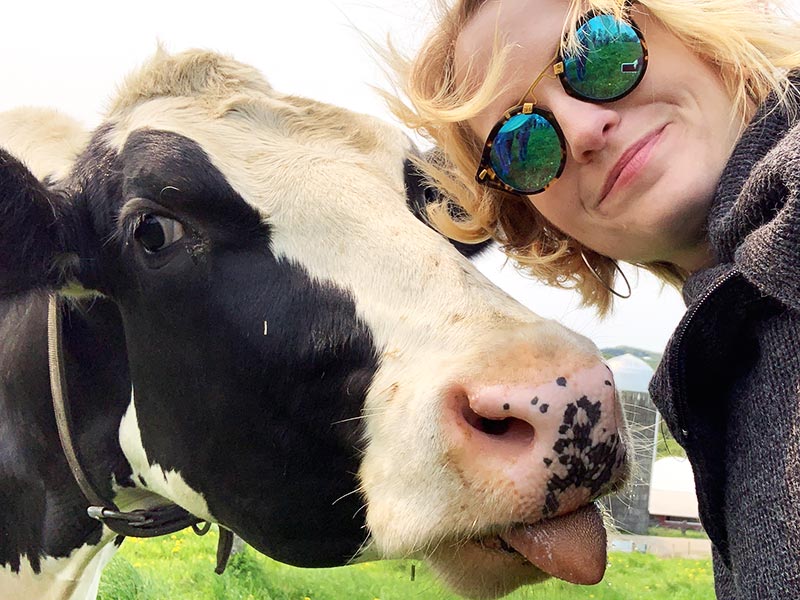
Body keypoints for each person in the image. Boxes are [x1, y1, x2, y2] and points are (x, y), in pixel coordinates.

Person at [388, 0, 800, 597]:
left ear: (699, 28)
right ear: (537, 218)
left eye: (597, 51)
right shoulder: (731, 335)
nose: (583, 131)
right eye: (522, 144)